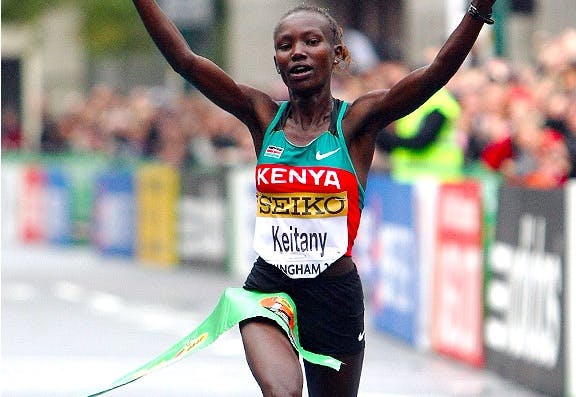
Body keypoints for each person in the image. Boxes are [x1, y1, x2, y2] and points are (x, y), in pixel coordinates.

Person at [132, 1, 496, 395]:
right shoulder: (261, 115)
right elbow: (185, 61)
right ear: (277, 62)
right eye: (286, 46)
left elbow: (435, 75)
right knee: (283, 391)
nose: (298, 52)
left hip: (334, 297)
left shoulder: (357, 123)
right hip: (268, 289)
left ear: (336, 54)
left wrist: (479, 10)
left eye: (311, 41)